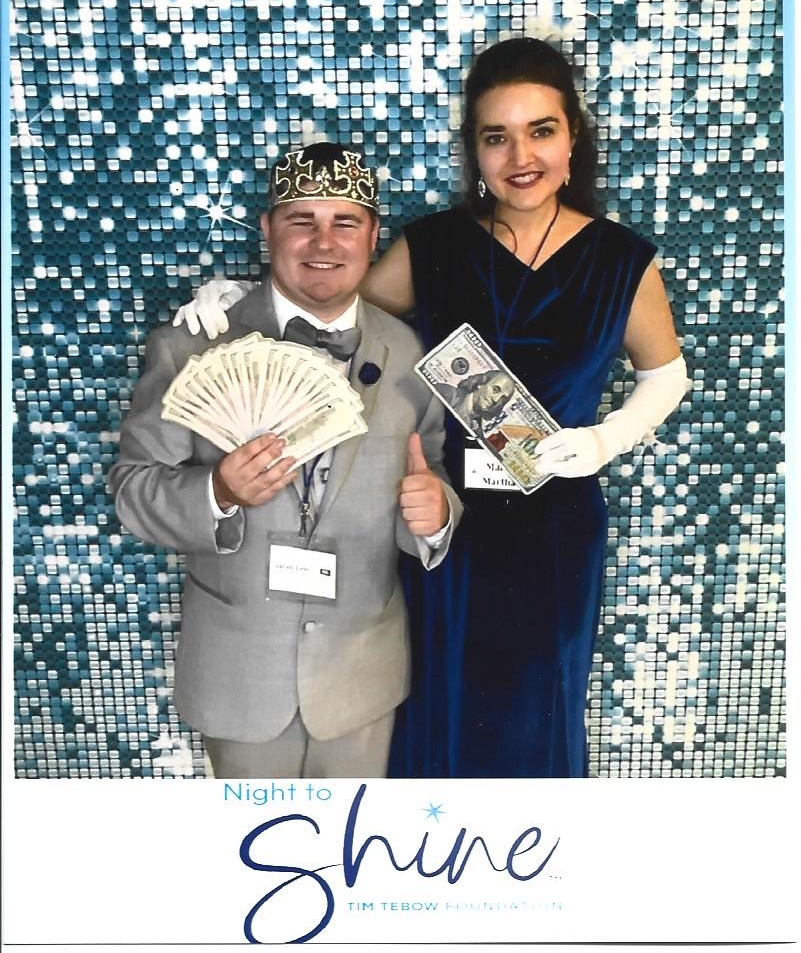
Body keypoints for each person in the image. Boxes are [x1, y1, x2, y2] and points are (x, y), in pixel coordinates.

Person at [174, 39, 688, 777]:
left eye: (540, 130)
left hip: (552, 528)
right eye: (496, 136)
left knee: (534, 714)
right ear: (474, 151)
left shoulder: (620, 259)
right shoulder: (434, 246)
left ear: (572, 138)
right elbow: (331, 317)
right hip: (442, 519)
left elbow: (665, 376)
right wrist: (242, 305)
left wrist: (604, 441)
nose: (520, 156)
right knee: (432, 706)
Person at [109, 142, 461, 779]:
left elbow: (430, 471)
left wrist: (435, 515)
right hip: (239, 676)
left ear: (372, 236)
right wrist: (217, 492)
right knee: (255, 841)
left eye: (345, 222)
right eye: (302, 220)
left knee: (350, 841)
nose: (323, 242)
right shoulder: (192, 345)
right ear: (268, 229)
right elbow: (133, 489)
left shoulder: (412, 355)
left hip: (362, 677)